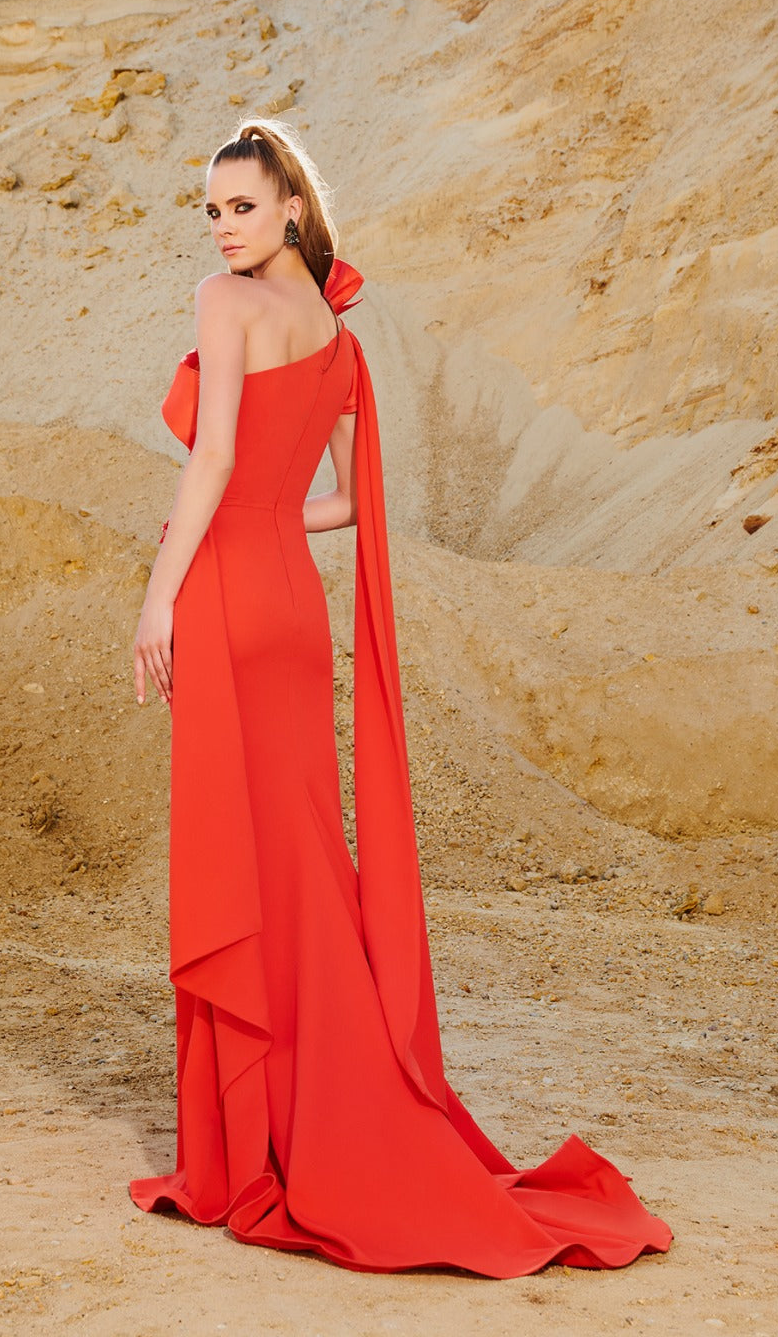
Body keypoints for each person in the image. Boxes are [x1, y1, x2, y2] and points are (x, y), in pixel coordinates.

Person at [127, 118, 673, 1276]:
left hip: (226, 597)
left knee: (241, 852)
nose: (222, 228)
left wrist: (158, 594)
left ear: (290, 206)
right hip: (292, 609)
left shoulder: (225, 306)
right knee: (300, 855)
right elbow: (344, 501)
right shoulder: (335, 337)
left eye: (241, 206)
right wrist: (262, 519)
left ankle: (247, 1146)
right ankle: (328, 1096)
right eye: (211, 210)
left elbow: (211, 460)